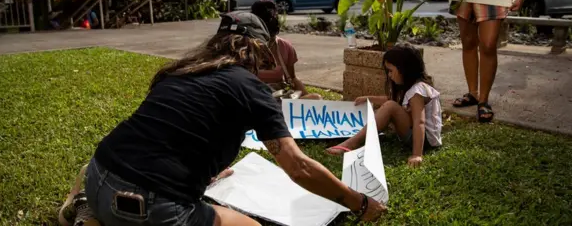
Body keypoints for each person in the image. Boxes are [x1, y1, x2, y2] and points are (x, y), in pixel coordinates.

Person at [84, 11, 386, 225]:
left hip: (96, 177)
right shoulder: (249, 88)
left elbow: (169, 133)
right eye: (264, 58)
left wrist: (207, 173)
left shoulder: (178, 71)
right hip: (151, 208)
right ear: (254, 50)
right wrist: (357, 201)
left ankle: (86, 213)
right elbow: (299, 168)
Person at [326, 43, 442, 168]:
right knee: (390, 105)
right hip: (419, 137)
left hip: (424, 141)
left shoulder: (417, 91)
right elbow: (393, 100)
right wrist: (369, 98)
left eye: (391, 71)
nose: (390, 75)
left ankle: (350, 144)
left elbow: (420, 122)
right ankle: (358, 136)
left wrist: (417, 154)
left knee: (390, 106)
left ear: (404, 69)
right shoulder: (413, 87)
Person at [251, 0, 322, 100]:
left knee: (316, 98)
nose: (267, 41)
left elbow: (292, 78)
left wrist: (307, 97)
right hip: (254, 98)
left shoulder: (284, 47)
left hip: (278, 98)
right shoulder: (243, 47)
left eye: (270, 36)